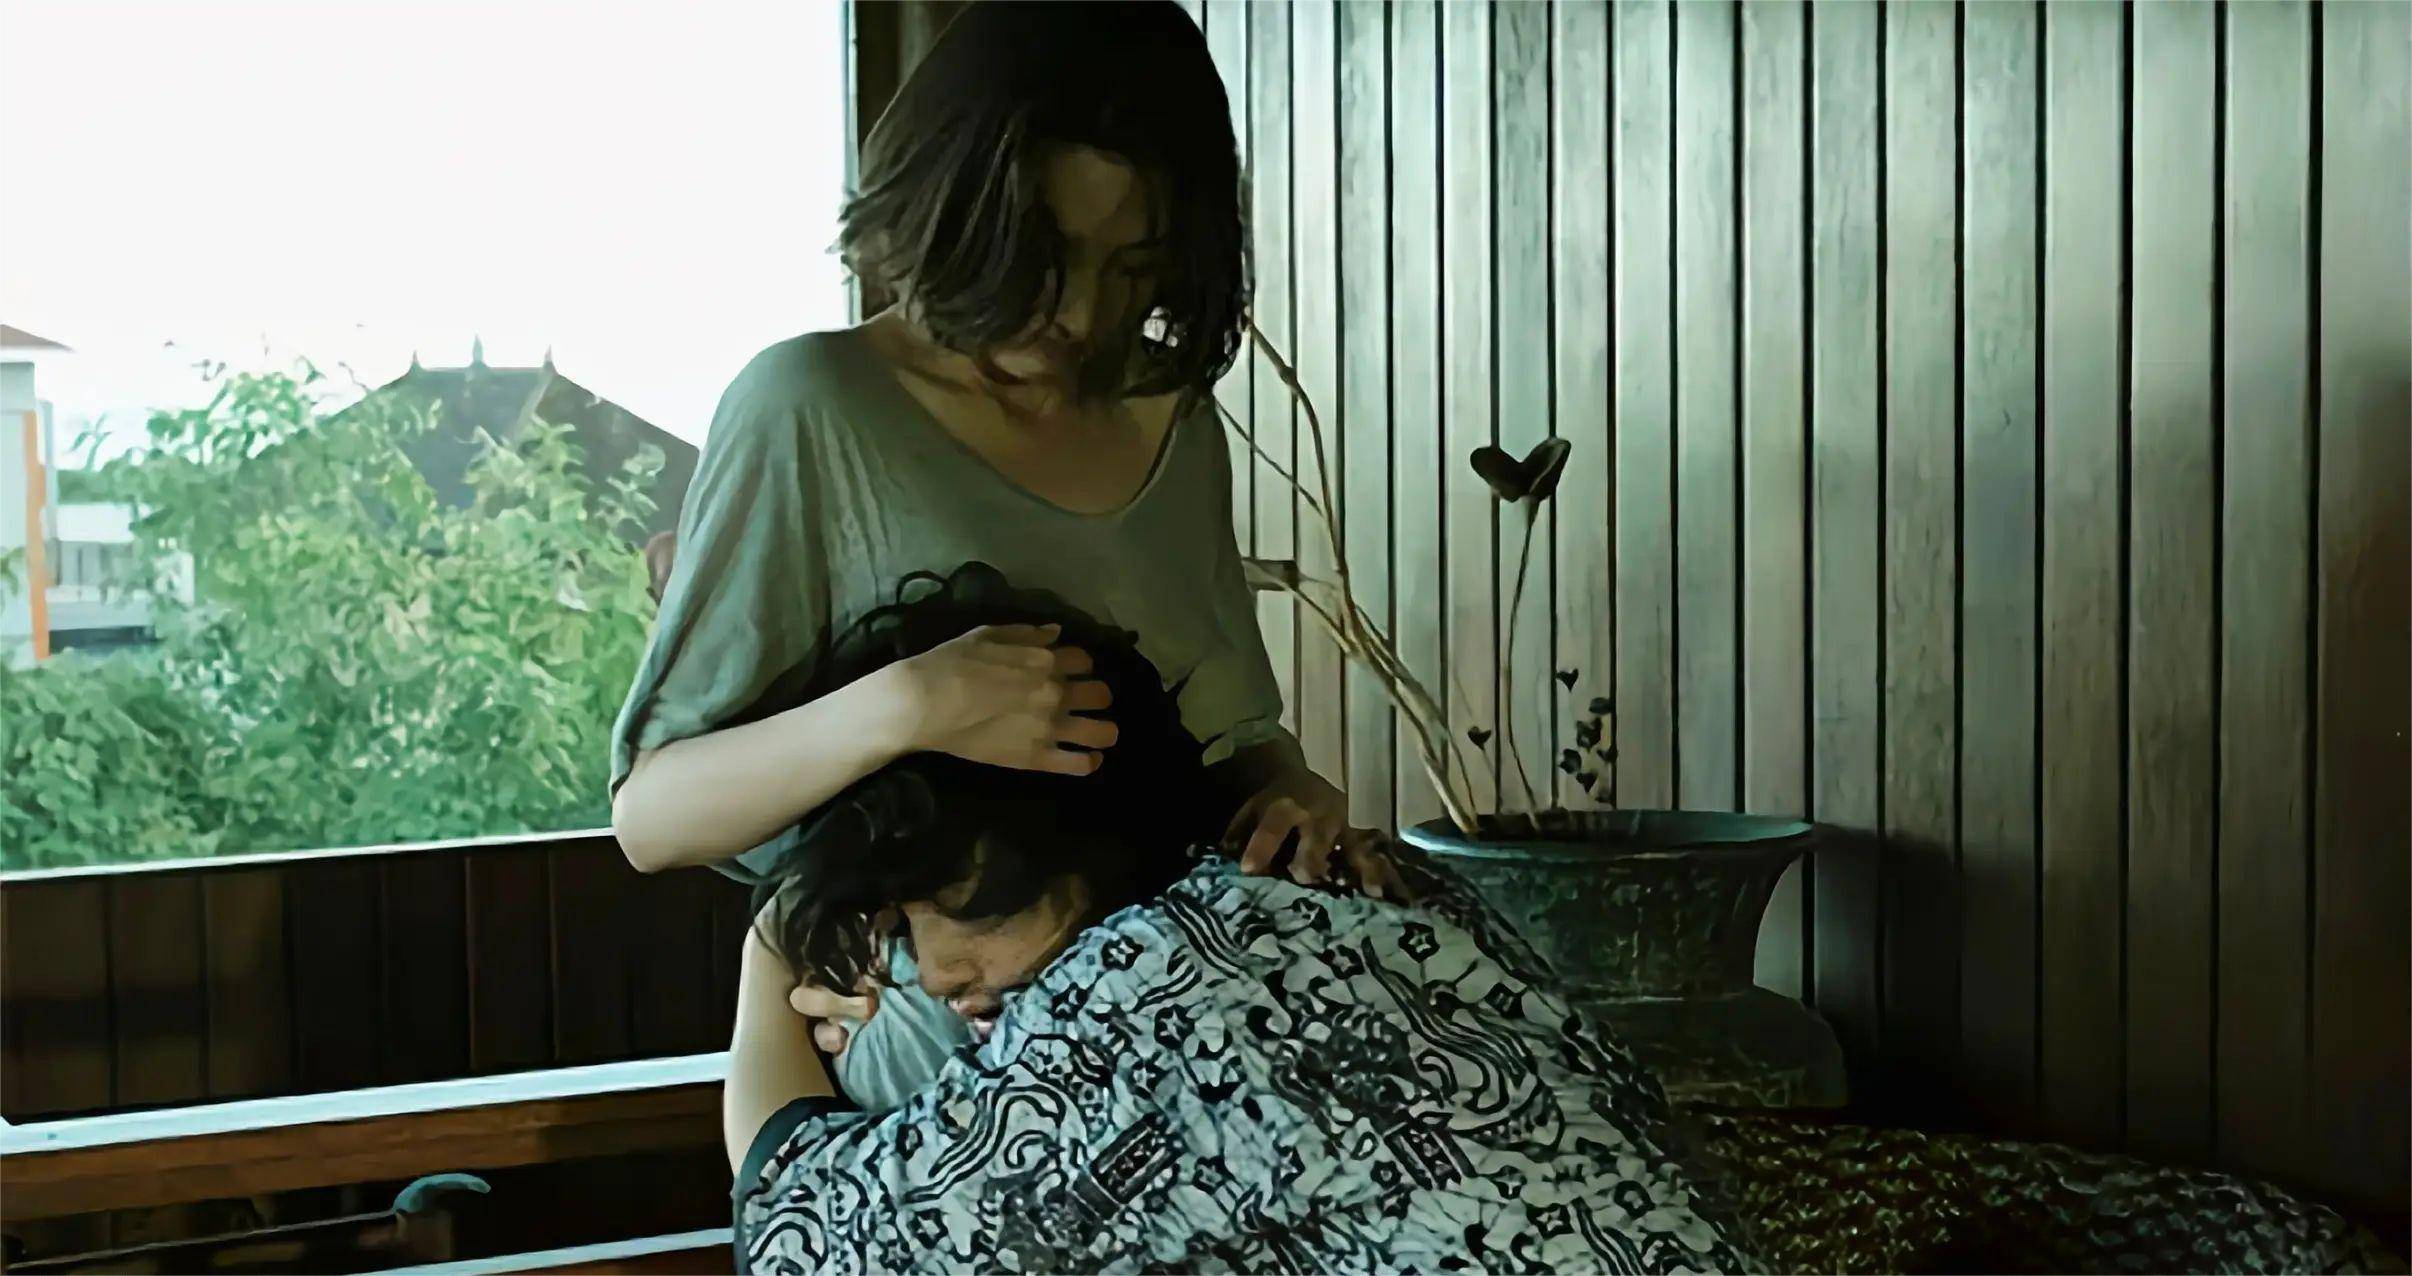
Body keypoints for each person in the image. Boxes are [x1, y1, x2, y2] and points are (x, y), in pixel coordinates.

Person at [608, 0, 1393, 1058]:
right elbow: (653, 816)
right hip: (937, 1073)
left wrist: (1293, 794)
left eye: (1133, 269)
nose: (1081, 316)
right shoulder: (813, 407)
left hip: (1171, 1040)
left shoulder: (1169, 417)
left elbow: (1232, 740)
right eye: (1046, 253)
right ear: (952, 208)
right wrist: (909, 705)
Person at [722, 566, 1752, 1274]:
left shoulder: (1146, 995)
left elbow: (809, 1237)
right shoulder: (1376, 889)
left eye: (925, 916)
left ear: (1021, 854)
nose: (937, 976)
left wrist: (769, 950)